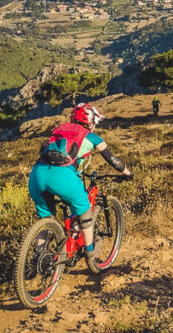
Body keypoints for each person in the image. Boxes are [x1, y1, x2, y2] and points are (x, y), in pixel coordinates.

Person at [28, 103, 132, 268]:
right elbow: (113, 160)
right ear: (90, 122)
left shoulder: (59, 129)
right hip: (62, 176)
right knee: (84, 211)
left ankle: (38, 256)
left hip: (37, 174)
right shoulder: (91, 136)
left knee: (46, 219)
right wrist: (127, 173)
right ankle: (90, 255)